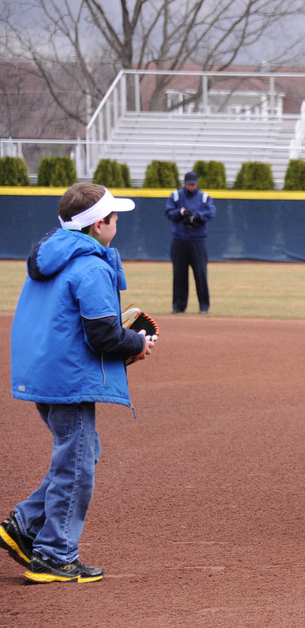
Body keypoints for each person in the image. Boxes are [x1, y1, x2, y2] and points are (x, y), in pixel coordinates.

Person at [2, 183, 156, 583]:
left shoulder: (52, 256)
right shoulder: (91, 265)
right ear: (99, 223)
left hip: (43, 372)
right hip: (67, 378)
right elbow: (103, 336)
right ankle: (55, 554)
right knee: (77, 465)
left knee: (81, 454)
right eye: (115, 218)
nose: (117, 224)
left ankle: (24, 525)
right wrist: (136, 342)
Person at [165, 170, 216, 314]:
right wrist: (180, 213)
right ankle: (178, 306)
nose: (191, 187)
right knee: (179, 274)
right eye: (189, 184)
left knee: (200, 273)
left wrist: (196, 217)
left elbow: (211, 212)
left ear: (197, 184)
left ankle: (204, 307)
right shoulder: (176, 196)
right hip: (179, 240)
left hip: (197, 241)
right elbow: (168, 212)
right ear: (185, 184)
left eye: (193, 184)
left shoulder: (204, 197)